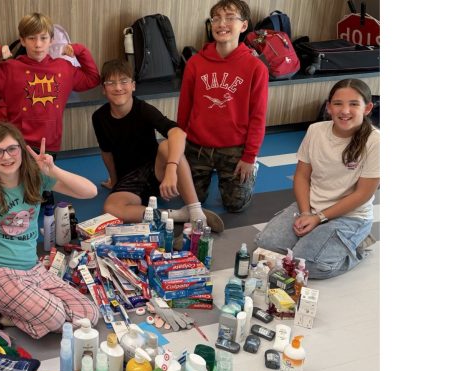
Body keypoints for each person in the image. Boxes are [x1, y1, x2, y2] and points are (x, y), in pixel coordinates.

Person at [0, 122, 99, 339]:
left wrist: (53, 170)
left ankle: (12, 314)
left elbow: (90, 191)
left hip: (32, 269)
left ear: (22, 150)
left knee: (89, 315)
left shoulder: (34, 177)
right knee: (56, 317)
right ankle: (6, 314)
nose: (6, 157)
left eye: (12, 149)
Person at [254, 79, 379, 279]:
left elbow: (363, 194)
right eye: (338, 103)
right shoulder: (316, 130)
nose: (345, 110)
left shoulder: (376, 141)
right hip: (311, 206)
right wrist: (305, 212)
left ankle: (356, 249)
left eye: (354, 104)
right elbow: (302, 176)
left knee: (307, 265)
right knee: (266, 244)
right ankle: (322, 239)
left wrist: (319, 218)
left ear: (367, 108)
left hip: (350, 215)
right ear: (329, 107)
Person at [92, 59, 224, 232]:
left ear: (133, 86)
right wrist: (115, 182)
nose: (118, 87)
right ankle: (177, 215)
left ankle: (196, 211)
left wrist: (170, 170)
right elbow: (106, 152)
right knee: (111, 209)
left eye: (124, 81)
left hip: (157, 171)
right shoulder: (99, 117)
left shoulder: (143, 109)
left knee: (167, 145)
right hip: (131, 179)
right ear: (103, 89)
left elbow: (178, 133)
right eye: (111, 83)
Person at [0, 12, 100, 155]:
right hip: (18, 145)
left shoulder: (64, 68)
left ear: (52, 40)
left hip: (50, 146)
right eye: (31, 38)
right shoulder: (10, 69)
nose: (38, 44)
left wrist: (80, 50)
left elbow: (93, 79)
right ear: (22, 41)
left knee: (46, 178)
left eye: (43, 38)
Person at [177, 0, 268, 213]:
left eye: (229, 18)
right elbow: (184, 110)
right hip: (197, 146)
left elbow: (258, 116)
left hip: (234, 147)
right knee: (192, 201)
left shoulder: (256, 67)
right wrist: (178, 149)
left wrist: (249, 157)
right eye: (216, 18)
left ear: (244, 26)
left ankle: (250, 171)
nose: (221, 24)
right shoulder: (196, 63)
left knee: (235, 206)